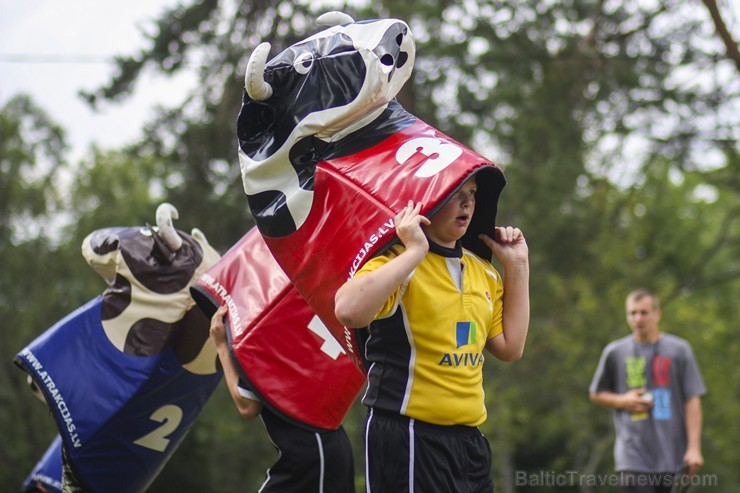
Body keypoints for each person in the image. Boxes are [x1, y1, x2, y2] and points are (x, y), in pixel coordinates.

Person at [334, 174, 530, 492]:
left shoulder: (484, 272)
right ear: (425, 201)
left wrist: (517, 268)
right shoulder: (397, 263)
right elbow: (348, 310)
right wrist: (414, 251)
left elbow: (511, 347)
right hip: (408, 433)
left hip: (469, 440)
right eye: (455, 193)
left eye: (472, 193)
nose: (467, 202)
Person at [210, 305, 356, 493]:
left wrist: (221, 345)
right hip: (320, 447)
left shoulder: (262, 333)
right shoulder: (283, 320)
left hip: (312, 454)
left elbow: (248, 406)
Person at [589, 288, 706, 493]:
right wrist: (621, 401)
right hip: (632, 456)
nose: (638, 318)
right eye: (632, 313)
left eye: (644, 312)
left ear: (657, 313)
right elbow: (596, 393)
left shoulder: (680, 351)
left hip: (672, 456)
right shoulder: (615, 352)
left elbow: (692, 400)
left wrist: (694, 448)